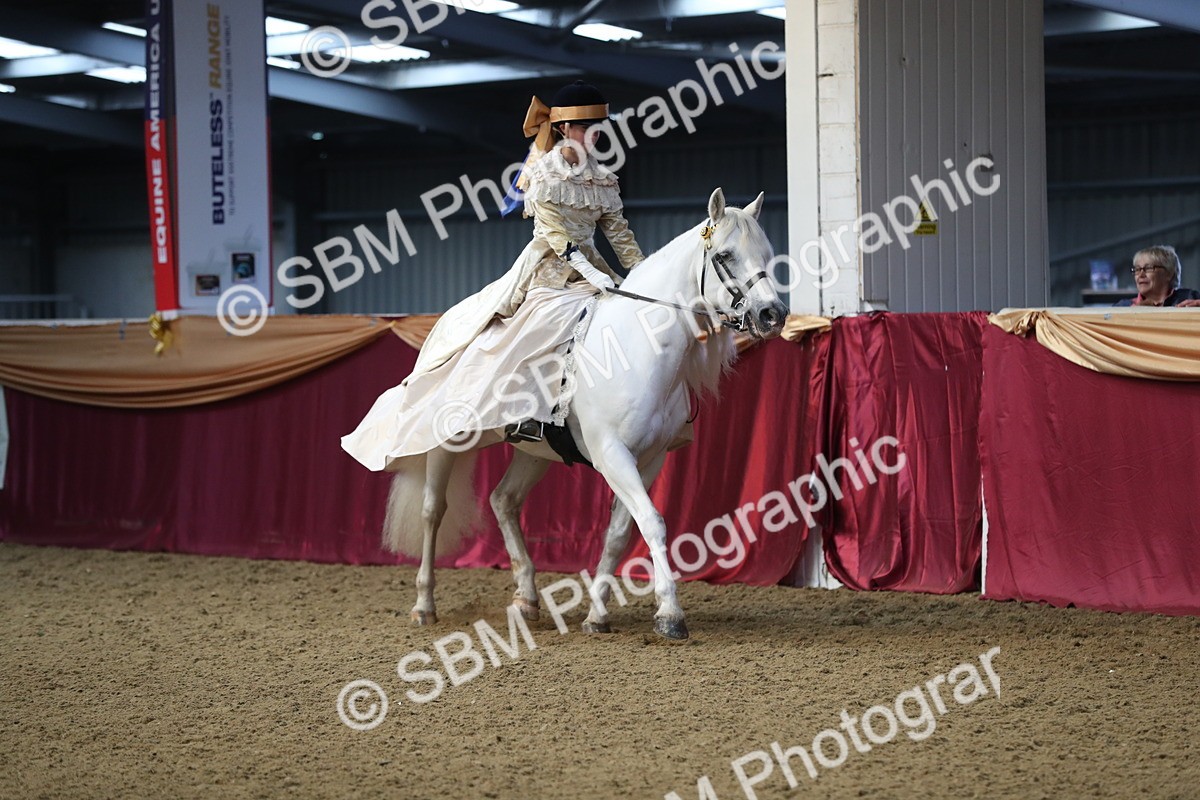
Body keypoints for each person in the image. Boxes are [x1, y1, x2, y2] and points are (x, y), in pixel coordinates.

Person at [341, 80, 645, 470]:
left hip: (592, 270)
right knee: (540, 328)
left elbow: (620, 235)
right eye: (589, 127)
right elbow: (557, 239)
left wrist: (639, 275)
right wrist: (595, 276)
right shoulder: (543, 174)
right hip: (548, 272)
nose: (597, 133)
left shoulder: (601, 178)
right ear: (566, 128)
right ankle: (526, 414)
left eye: (601, 126)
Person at [1113, 245, 1200, 307]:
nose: (1141, 274)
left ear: (1169, 274)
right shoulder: (1123, 307)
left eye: (1148, 268)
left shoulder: (1191, 297)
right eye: (1137, 269)